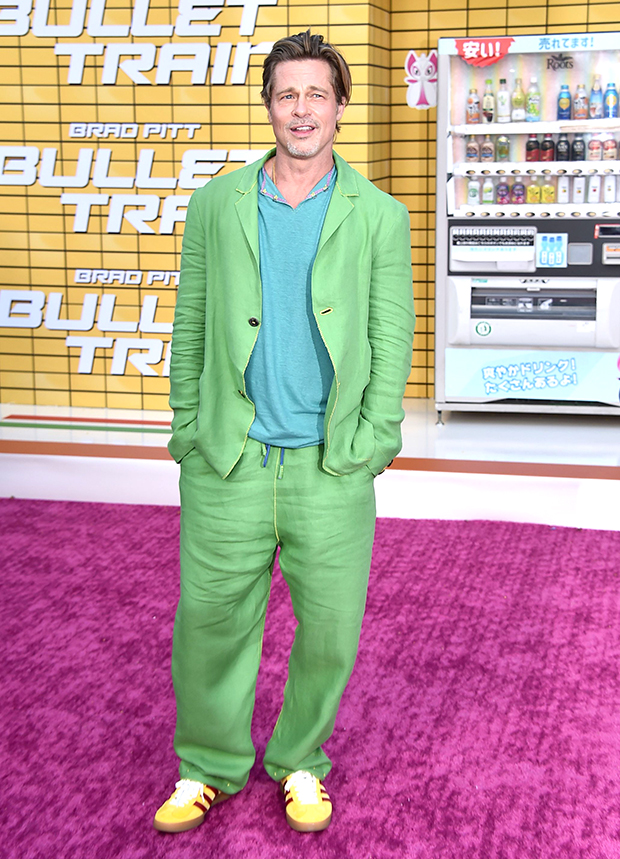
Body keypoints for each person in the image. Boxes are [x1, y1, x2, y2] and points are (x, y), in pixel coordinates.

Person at [154, 29, 415, 835]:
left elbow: (391, 335)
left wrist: (373, 440)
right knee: (210, 623)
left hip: (330, 464)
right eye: (287, 94)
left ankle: (301, 757)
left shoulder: (380, 215)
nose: (302, 109)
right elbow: (191, 321)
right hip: (229, 459)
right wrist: (189, 427)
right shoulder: (216, 204)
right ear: (269, 105)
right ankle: (207, 763)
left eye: (317, 94)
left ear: (340, 106)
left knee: (331, 631)